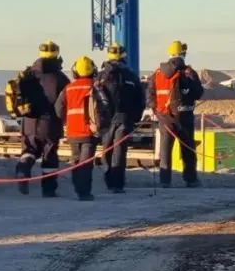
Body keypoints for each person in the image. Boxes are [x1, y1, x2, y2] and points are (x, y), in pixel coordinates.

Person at [15, 41, 70, 197]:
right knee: (49, 154)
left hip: (29, 119)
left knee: (29, 150)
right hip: (50, 121)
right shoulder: (60, 78)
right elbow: (65, 101)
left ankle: (23, 170)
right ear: (57, 54)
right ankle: (48, 189)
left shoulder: (28, 74)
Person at [147, 40, 204, 188]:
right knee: (188, 149)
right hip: (184, 116)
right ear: (183, 53)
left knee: (165, 150)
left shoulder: (157, 73)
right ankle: (190, 179)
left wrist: (157, 111)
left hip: (164, 117)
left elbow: (150, 95)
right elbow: (198, 93)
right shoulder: (188, 72)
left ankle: (165, 181)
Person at [94, 43, 145, 194]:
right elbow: (140, 100)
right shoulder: (131, 76)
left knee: (107, 150)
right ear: (124, 57)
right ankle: (117, 184)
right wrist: (135, 118)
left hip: (106, 121)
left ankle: (109, 179)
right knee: (119, 152)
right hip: (124, 119)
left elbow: (94, 101)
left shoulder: (101, 76)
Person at [55, 56, 103, 201]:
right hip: (89, 132)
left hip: (73, 132)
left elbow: (58, 108)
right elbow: (104, 107)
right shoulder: (95, 87)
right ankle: (84, 193)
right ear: (93, 70)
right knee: (86, 164)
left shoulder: (68, 88)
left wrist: (66, 120)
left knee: (76, 162)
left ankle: (78, 189)